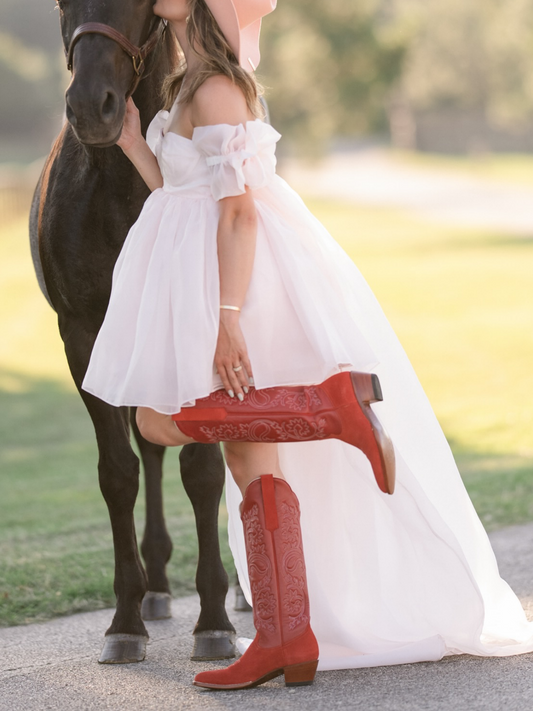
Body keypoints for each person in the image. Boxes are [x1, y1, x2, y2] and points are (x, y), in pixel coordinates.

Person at [82, 0, 533, 691]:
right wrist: (138, 145)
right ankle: (286, 630)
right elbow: (187, 194)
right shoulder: (188, 82)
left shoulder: (216, 86)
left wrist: (229, 316)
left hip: (236, 284)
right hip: (205, 276)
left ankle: (331, 419)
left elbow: (238, 210)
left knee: (164, 423)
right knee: (242, 454)